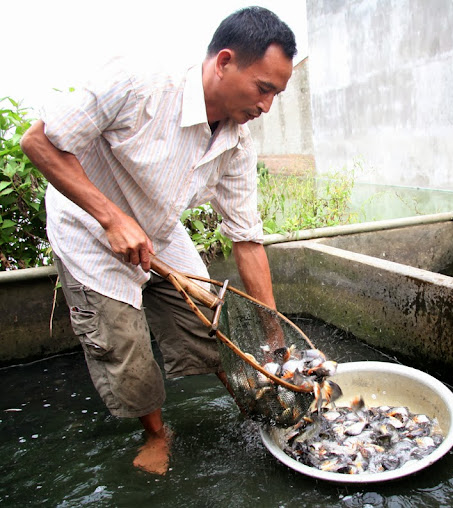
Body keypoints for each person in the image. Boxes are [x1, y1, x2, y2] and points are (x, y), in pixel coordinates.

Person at [20, 6, 296, 475]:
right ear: (224, 62)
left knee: (209, 324)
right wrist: (111, 218)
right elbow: (38, 142)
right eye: (263, 88)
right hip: (87, 227)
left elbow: (247, 240)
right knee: (125, 349)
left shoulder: (237, 142)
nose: (266, 106)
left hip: (158, 232)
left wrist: (275, 338)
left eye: (276, 94)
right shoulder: (138, 83)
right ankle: (155, 434)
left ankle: (255, 410)